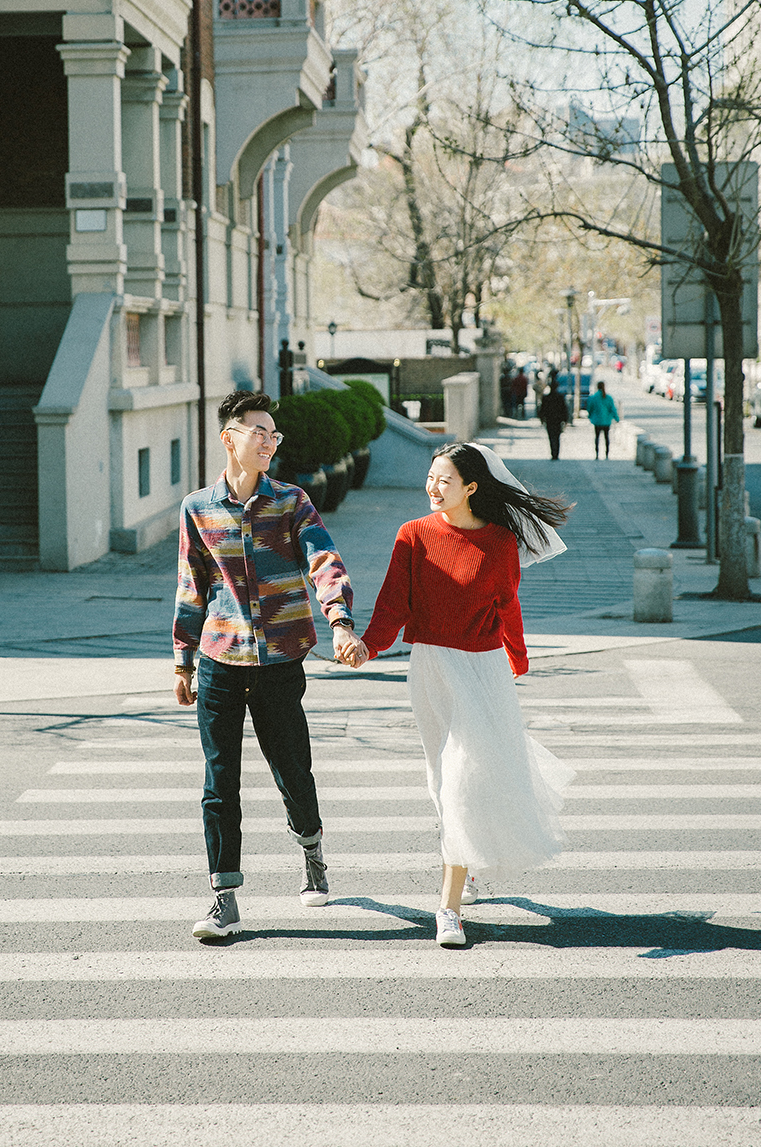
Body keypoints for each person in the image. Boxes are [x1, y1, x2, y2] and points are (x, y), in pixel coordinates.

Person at [344, 442, 574, 947]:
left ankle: (447, 911)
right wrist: (367, 646)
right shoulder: (413, 536)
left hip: (485, 670)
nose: (432, 487)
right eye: (430, 477)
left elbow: (506, 604)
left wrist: (517, 657)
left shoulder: (499, 542)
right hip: (431, 669)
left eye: (444, 479)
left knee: (462, 782)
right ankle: (462, 860)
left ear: (471, 487)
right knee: (440, 778)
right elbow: (392, 604)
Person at [173, 389, 364, 941]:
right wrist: (183, 661)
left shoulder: (292, 501)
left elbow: (323, 559)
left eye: (273, 434)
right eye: (259, 432)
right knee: (219, 780)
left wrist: (340, 620)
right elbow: (192, 585)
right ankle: (223, 898)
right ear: (228, 437)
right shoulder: (197, 508)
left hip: (280, 657)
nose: (269, 442)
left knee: (292, 770)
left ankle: (312, 852)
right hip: (220, 659)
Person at [586, 379, 621, 459]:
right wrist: (617, 418)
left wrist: (590, 416)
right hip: (606, 421)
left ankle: (597, 454)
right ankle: (607, 454)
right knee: (606, 438)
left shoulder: (593, 397)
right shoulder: (608, 398)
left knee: (597, 437)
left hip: (597, 421)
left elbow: (589, 408)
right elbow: (612, 409)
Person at [538, 384, 569, 460]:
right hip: (557, 420)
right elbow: (564, 409)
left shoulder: (546, 398)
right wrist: (565, 420)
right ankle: (556, 453)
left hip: (549, 420)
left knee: (551, 437)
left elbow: (542, 409)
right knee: (557, 437)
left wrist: (542, 418)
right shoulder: (560, 397)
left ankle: (553, 452)